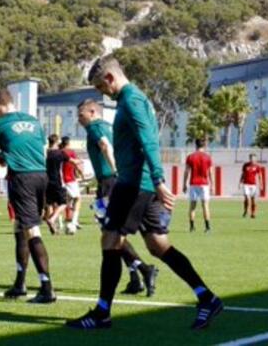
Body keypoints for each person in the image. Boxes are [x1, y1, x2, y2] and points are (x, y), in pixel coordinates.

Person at [66, 55, 222, 330]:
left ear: (110, 78)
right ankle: (206, 297)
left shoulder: (132, 101)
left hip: (135, 183)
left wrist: (160, 180)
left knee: (111, 240)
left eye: (102, 87)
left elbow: (149, 140)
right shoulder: (133, 100)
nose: (103, 94)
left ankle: (102, 313)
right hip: (143, 182)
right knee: (157, 245)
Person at [78, 98, 159, 297]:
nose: (79, 120)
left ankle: (144, 269)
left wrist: (115, 171)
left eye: (81, 115)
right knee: (115, 234)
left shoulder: (95, 127)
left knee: (110, 234)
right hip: (111, 182)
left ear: (92, 112)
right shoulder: (108, 126)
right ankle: (135, 278)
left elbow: (105, 146)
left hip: (109, 183)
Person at [0, 88, 56, 304]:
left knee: (31, 230)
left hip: (21, 179)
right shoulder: (34, 121)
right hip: (41, 176)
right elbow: (39, 150)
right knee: (19, 227)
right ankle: (20, 283)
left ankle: (46, 287)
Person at [183, 139, 214, 232]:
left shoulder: (190, 157)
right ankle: (207, 227)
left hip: (193, 183)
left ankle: (192, 227)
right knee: (205, 205)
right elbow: (211, 172)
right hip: (204, 184)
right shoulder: (208, 157)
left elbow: (186, 171)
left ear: (195, 145)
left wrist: (184, 184)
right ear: (204, 146)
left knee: (192, 206)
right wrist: (212, 185)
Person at [44, 134, 69, 234]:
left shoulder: (45, 153)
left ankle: (53, 227)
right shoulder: (60, 153)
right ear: (57, 141)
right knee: (63, 203)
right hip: (57, 181)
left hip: (46, 181)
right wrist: (78, 162)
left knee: (49, 203)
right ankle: (52, 219)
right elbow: (70, 161)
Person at [60, 136, 85, 231]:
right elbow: (75, 164)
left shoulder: (58, 152)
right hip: (69, 179)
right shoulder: (70, 152)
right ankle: (74, 222)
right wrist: (81, 173)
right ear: (68, 143)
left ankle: (62, 223)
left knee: (66, 201)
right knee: (78, 199)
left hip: (60, 180)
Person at [239, 153, 263, 219]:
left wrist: (261, 184)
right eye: (251, 158)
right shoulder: (245, 165)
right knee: (246, 198)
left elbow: (260, 175)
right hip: (246, 184)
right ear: (249, 158)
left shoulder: (257, 166)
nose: (252, 159)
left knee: (253, 200)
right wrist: (240, 182)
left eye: (253, 158)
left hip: (253, 185)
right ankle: (246, 211)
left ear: (255, 159)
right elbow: (243, 174)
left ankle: (253, 213)